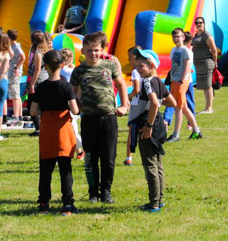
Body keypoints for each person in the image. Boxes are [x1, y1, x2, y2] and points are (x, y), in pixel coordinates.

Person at [70, 31, 129, 204]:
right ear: (83, 51)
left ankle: (106, 192)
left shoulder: (109, 66)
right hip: (89, 119)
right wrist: (80, 108)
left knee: (109, 157)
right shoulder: (78, 71)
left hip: (109, 117)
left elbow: (121, 84)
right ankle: (93, 193)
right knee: (91, 158)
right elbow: (72, 95)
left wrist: (124, 105)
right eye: (89, 50)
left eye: (96, 50)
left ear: (101, 49)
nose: (93, 53)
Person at [30, 48, 80, 216]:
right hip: (63, 128)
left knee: (46, 168)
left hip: (47, 129)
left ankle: (44, 203)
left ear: (45, 66)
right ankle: (67, 204)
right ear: (62, 64)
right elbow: (74, 109)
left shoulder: (41, 87)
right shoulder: (66, 85)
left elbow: (33, 111)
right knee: (65, 168)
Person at [129, 49, 177, 212]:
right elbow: (172, 102)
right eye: (136, 66)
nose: (137, 69)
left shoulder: (148, 82)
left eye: (141, 66)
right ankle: (159, 198)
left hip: (148, 126)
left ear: (151, 65)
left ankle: (154, 203)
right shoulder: (159, 81)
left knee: (150, 164)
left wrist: (148, 126)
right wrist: (155, 103)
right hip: (159, 125)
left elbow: (156, 104)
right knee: (157, 163)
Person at [167, 28, 202, 142]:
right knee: (184, 107)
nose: (176, 39)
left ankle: (176, 135)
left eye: (178, 36)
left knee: (178, 107)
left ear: (183, 37)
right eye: (174, 37)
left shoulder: (186, 51)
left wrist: (181, 80)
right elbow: (174, 65)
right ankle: (196, 131)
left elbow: (187, 67)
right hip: (174, 80)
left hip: (181, 81)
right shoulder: (173, 50)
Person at [191, 16, 220, 114]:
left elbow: (214, 49)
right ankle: (207, 107)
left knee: (207, 85)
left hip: (206, 63)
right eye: (197, 23)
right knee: (204, 85)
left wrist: (215, 61)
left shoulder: (206, 35)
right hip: (199, 64)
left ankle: (209, 108)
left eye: (200, 22)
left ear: (204, 24)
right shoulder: (196, 35)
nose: (198, 24)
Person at [59, 48, 84, 160]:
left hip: (60, 100)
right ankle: (81, 148)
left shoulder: (58, 70)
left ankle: (79, 151)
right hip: (71, 101)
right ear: (71, 58)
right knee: (73, 127)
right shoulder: (71, 71)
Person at [27, 31, 51, 137]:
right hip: (45, 79)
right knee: (41, 105)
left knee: (31, 105)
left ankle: (38, 128)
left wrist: (32, 84)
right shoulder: (46, 50)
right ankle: (43, 127)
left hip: (38, 81)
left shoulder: (38, 52)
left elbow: (37, 69)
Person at [124, 46, 143, 166]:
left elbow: (136, 89)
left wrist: (128, 97)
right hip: (146, 103)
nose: (129, 60)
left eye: (130, 57)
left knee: (132, 131)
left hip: (136, 104)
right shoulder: (148, 69)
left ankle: (129, 158)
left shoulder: (136, 71)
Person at [6, 29, 25, 125]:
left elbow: (23, 57)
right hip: (14, 73)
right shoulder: (13, 46)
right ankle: (19, 114)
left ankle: (16, 116)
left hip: (14, 74)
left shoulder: (16, 47)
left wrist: (16, 68)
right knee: (16, 93)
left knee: (14, 95)